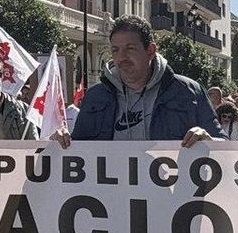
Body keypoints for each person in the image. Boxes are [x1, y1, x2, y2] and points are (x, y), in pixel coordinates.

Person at [57, 15, 223, 147]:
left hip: (169, 189)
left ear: (150, 50)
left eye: (130, 48)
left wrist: (208, 141)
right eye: (115, 50)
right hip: (111, 189)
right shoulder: (95, 97)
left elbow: (227, 149)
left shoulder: (188, 92)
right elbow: (78, 150)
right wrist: (58, 143)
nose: (121, 57)